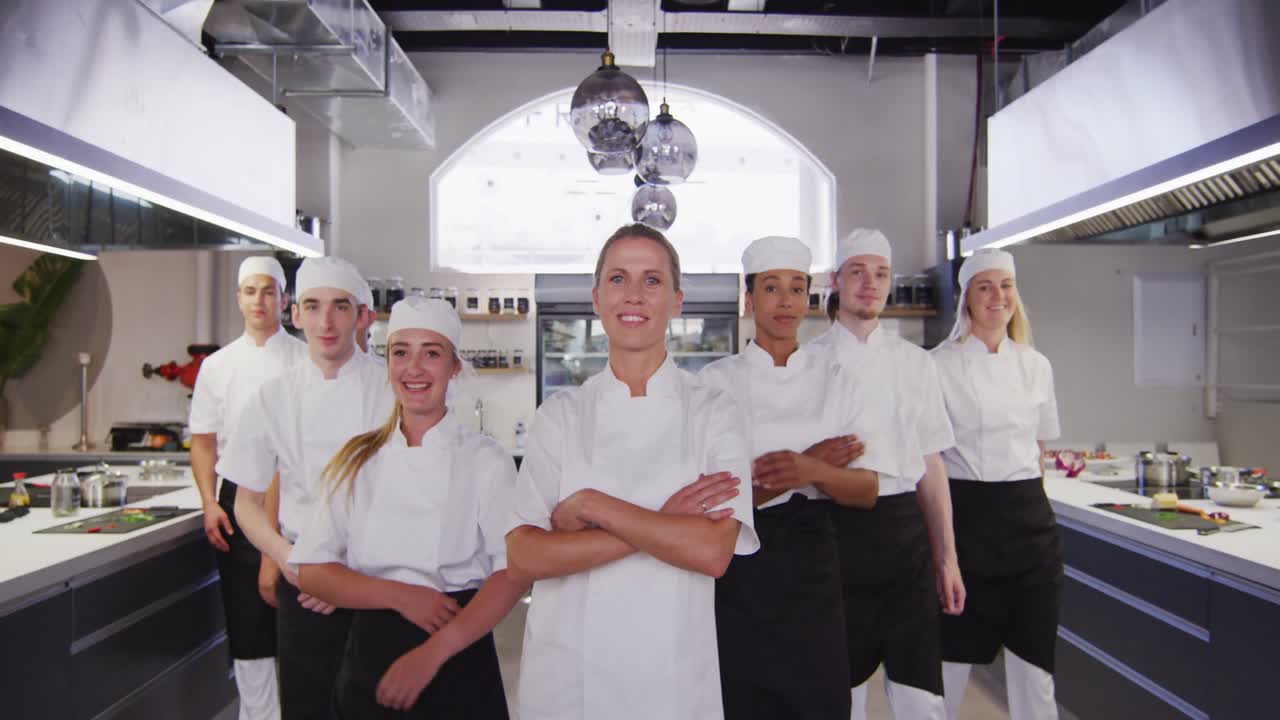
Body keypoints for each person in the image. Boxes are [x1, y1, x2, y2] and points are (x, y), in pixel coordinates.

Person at [506, 223, 759, 720]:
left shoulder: (714, 413)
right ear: (597, 298)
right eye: (618, 279)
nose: (634, 295)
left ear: (677, 301)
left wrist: (593, 506)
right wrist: (666, 522)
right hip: (569, 680)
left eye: (652, 280)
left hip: (671, 679)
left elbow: (711, 553)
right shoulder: (560, 416)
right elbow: (524, 558)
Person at [290, 297, 526, 718]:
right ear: (388, 365)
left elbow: (511, 573)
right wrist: (401, 596)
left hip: (458, 646)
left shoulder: (485, 459)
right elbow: (313, 571)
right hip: (371, 656)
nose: (413, 368)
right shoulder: (358, 458)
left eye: (431, 354)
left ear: (454, 367)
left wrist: (435, 652)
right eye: (401, 353)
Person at [698, 236, 889, 720]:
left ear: (808, 299)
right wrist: (811, 469)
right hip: (741, 567)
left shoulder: (837, 380)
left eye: (797, 288)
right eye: (771, 287)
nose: (785, 301)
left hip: (815, 566)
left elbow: (868, 489)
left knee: (818, 700)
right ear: (749, 299)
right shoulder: (714, 384)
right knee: (744, 699)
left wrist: (808, 470)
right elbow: (712, 499)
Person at [221, 255, 394, 720]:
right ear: (295, 315)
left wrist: (348, 570)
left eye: (340, 306)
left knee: (377, 706)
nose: (326, 322)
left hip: (380, 577)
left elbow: (408, 493)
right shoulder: (272, 397)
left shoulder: (392, 391)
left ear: (361, 315)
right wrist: (288, 559)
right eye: (313, 306)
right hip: (302, 582)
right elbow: (247, 502)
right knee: (307, 706)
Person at [808, 228, 964, 720]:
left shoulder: (916, 365)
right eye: (857, 272)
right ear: (836, 281)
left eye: (880, 274)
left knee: (923, 699)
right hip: (835, 539)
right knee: (840, 697)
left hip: (905, 542)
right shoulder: (806, 364)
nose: (870, 283)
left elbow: (931, 466)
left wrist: (948, 559)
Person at [930, 249, 1063, 720]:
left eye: (1005, 285)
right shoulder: (937, 366)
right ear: (966, 298)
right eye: (985, 286)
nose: (998, 296)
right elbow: (931, 461)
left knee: (1036, 672)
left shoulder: (1036, 365)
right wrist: (944, 553)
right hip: (966, 523)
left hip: (1030, 529)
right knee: (946, 669)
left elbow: (1038, 450)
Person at [188, 255, 305, 720]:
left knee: (297, 622)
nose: (260, 300)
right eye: (251, 291)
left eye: (269, 291)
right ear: (238, 298)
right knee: (248, 626)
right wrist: (208, 502)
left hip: (298, 496)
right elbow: (203, 441)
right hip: (237, 499)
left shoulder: (305, 360)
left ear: (284, 299)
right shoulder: (218, 366)